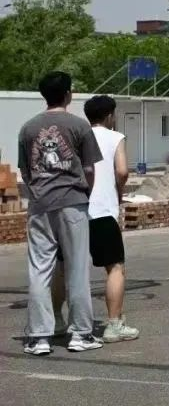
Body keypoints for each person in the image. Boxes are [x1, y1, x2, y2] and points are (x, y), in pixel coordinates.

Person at [20, 71, 103, 356]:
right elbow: (89, 169)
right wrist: (85, 193)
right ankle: (80, 333)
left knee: (39, 270)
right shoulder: (80, 126)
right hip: (73, 201)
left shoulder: (28, 128)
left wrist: (38, 192)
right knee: (77, 270)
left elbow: (25, 171)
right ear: (68, 94)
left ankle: (39, 337)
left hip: (40, 205)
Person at [52, 96, 139, 343]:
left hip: (73, 208)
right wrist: (119, 190)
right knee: (115, 267)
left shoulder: (76, 136)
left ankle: (57, 320)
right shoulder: (115, 137)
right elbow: (122, 171)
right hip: (102, 211)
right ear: (110, 115)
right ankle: (114, 324)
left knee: (62, 267)